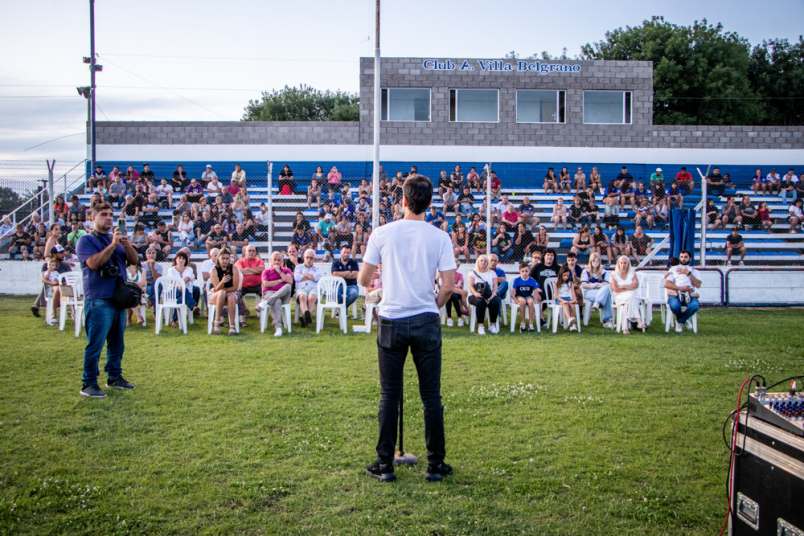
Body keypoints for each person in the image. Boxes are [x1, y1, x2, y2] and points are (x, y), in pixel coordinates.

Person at [357, 174, 456, 483]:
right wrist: (431, 305)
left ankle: (384, 464)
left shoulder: (382, 233)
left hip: (391, 319)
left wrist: (385, 286)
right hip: (425, 318)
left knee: (389, 394)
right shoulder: (439, 237)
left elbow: (363, 279)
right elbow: (449, 286)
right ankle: (435, 465)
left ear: (403, 200)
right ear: (429, 203)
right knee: (431, 396)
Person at [75, 202, 139, 398]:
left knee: (117, 343)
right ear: (92, 217)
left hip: (118, 299)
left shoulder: (118, 239)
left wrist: (125, 243)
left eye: (111, 214)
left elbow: (134, 260)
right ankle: (89, 383)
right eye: (104, 214)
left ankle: (114, 377)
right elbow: (93, 263)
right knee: (95, 343)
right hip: (99, 298)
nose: (109, 218)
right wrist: (112, 245)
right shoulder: (86, 240)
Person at [256, 251, 293, 337]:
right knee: (277, 301)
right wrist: (280, 280)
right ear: (271, 261)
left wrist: (279, 272)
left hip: (284, 296)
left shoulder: (287, 270)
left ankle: (265, 303)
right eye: (275, 260)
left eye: (279, 260)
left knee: (288, 286)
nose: (277, 262)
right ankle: (278, 328)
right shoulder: (266, 271)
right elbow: (266, 284)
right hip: (269, 293)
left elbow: (290, 281)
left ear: (282, 262)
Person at [664, 250, 701, 332]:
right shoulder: (674, 269)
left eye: (685, 257)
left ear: (690, 259)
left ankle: (680, 321)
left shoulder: (694, 271)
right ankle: (684, 319)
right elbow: (666, 284)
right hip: (676, 293)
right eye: (681, 257)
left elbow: (698, 285)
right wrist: (680, 288)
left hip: (690, 294)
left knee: (695, 306)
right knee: (675, 306)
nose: (683, 259)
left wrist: (688, 274)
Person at [209, 247, 241, 335]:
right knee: (221, 293)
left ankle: (232, 326)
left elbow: (235, 287)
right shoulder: (214, 270)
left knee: (230, 296)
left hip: (230, 294)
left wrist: (225, 291)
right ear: (218, 258)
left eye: (227, 258)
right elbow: (216, 289)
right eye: (223, 258)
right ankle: (217, 323)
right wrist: (222, 281)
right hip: (216, 295)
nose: (225, 261)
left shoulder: (233, 268)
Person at [610, 255, 644, 334]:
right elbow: (615, 289)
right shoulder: (614, 274)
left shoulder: (632, 272)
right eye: (621, 263)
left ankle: (625, 328)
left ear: (628, 264)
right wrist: (629, 287)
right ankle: (639, 320)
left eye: (625, 263)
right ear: (618, 264)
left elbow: (636, 285)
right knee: (631, 296)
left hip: (630, 297)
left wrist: (624, 286)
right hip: (619, 297)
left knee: (627, 303)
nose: (623, 265)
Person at [467, 254, 500, 335]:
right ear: (478, 262)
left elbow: (495, 287)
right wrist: (475, 293)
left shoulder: (492, 273)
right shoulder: (472, 273)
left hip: (489, 295)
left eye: (485, 261)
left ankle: (492, 325)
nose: (483, 262)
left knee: (495, 301)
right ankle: (480, 326)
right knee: (480, 302)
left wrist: (493, 295)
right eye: (481, 260)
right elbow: (470, 286)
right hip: (474, 295)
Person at [580, 251, 613, 328]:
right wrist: (595, 285)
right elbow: (584, 284)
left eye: (597, 260)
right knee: (607, 296)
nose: (595, 262)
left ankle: (597, 303)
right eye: (593, 260)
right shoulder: (586, 271)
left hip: (601, 292)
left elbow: (607, 284)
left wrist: (599, 285)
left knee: (606, 290)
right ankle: (607, 321)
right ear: (590, 261)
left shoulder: (604, 272)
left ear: (599, 261)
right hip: (589, 293)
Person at [166, 251, 197, 324]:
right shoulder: (171, 270)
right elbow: (172, 281)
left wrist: (180, 285)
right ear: (176, 259)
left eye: (183, 258)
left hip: (184, 293)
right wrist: (180, 285)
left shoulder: (189, 269)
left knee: (180, 299)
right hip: (173, 292)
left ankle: (174, 320)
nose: (181, 260)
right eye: (179, 258)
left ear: (186, 260)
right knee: (183, 289)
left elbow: (187, 278)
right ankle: (193, 305)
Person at [235, 245, 265, 320]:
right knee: (236, 295)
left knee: (267, 293)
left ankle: (262, 313)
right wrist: (255, 271)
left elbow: (261, 269)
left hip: (258, 285)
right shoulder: (240, 261)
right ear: (245, 252)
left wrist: (247, 270)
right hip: (243, 286)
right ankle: (243, 313)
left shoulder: (259, 261)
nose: (251, 252)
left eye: (253, 251)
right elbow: (240, 270)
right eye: (249, 250)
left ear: (255, 253)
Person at [293, 248, 321, 327]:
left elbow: (317, 278)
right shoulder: (298, 267)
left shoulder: (317, 269)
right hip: (301, 289)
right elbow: (297, 278)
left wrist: (304, 275)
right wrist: (311, 277)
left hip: (313, 289)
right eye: (307, 257)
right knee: (302, 297)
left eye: (311, 258)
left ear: (314, 259)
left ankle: (305, 318)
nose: (309, 260)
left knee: (311, 298)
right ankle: (306, 317)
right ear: (304, 258)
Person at [511, 262, 540, 332]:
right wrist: (514, 299)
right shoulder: (517, 280)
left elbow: (536, 291)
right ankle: (523, 322)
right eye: (522, 271)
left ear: (529, 271)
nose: (524, 273)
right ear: (519, 272)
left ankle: (530, 323)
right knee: (522, 301)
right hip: (519, 296)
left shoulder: (532, 280)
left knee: (531, 301)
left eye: (526, 271)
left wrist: (536, 299)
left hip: (528, 296)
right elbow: (513, 292)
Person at [556, 266, 579, 331]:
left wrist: (572, 301)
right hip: (560, 299)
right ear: (561, 275)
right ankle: (569, 319)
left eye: (568, 275)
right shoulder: (557, 283)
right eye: (564, 275)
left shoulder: (570, 283)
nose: (566, 277)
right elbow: (556, 296)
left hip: (568, 299)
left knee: (572, 306)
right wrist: (563, 300)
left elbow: (574, 296)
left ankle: (573, 325)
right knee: (565, 304)